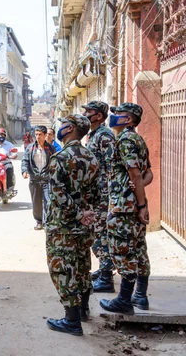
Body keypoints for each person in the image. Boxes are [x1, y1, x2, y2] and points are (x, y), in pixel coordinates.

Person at [45, 114, 99, 336]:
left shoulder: (60, 158)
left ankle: (72, 320)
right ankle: (84, 310)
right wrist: (88, 215)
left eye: (62, 125)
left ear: (68, 129)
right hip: (84, 226)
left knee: (62, 269)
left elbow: (58, 194)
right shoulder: (92, 158)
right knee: (82, 265)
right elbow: (97, 193)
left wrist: (77, 215)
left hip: (63, 227)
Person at [100, 103, 153, 314]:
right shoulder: (138, 140)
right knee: (139, 250)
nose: (114, 117)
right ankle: (140, 296)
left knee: (123, 252)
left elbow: (136, 174)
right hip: (134, 204)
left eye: (118, 114)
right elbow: (148, 174)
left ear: (129, 120)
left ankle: (124, 300)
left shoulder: (125, 140)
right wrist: (140, 193)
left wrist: (140, 204)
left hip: (124, 208)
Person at [81, 101, 117, 293]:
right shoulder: (94, 135)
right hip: (96, 193)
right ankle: (104, 268)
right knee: (97, 233)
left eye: (89, 111)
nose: (86, 114)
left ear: (99, 116)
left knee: (101, 233)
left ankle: (106, 277)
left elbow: (113, 166)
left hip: (104, 194)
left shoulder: (105, 136)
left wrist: (111, 196)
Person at [21, 125, 55, 230]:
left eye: (40, 134)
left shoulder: (50, 149)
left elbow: (55, 163)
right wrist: (25, 171)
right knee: (36, 203)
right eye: (36, 134)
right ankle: (39, 221)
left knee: (48, 201)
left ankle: (47, 222)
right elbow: (25, 160)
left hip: (46, 179)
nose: (38, 137)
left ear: (45, 135)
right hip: (34, 179)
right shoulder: (30, 148)